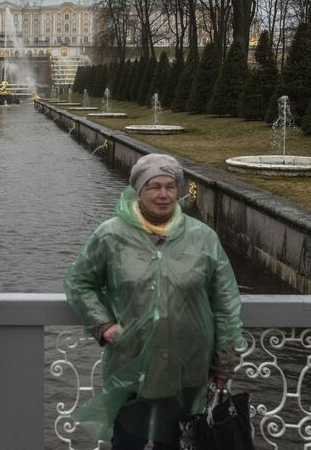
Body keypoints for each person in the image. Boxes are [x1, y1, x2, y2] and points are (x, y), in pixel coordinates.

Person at [63, 153, 245, 450]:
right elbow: (79, 281)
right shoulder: (111, 236)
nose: (163, 195)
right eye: (154, 186)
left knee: (178, 442)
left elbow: (225, 300)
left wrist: (224, 359)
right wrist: (103, 324)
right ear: (139, 190)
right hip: (132, 367)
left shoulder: (203, 238)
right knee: (128, 441)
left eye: (170, 186)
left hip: (188, 367)